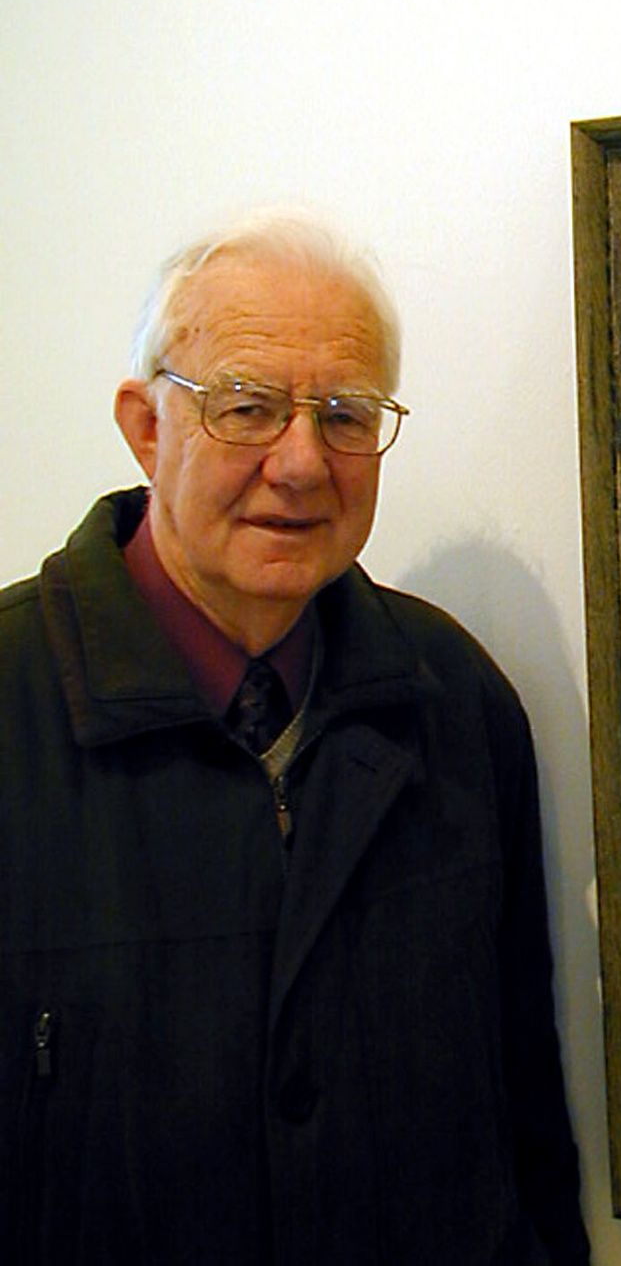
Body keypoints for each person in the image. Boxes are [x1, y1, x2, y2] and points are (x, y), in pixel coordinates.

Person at [0, 211, 590, 1263]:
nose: (303, 462)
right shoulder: (14, 704)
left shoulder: (453, 698)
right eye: (248, 407)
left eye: (346, 416)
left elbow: (522, 1115)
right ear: (146, 427)